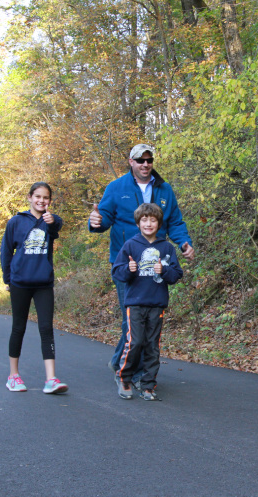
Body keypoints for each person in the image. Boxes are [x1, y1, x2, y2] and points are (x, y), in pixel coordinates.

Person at [89, 144, 194, 379]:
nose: (145, 164)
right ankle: (134, 374)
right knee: (133, 319)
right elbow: (104, 218)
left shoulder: (165, 189)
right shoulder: (116, 188)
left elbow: (175, 222)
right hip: (128, 264)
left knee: (146, 322)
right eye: (140, 160)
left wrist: (184, 242)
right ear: (131, 162)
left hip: (156, 264)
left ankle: (120, 362)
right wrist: (95, 221)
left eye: (149, 160)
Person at [0, 181, 68, 394]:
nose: (41, 200)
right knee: (18, 327)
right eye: (37, 196)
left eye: (45, 198)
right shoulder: (15, 222)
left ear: (49, 201)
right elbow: (5, 252)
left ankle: (51, 379)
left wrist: (53, 220)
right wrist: (8, 279)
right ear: (29, 197)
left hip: (43, 283)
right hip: (19, 282)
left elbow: (59, 224)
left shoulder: (50, 221)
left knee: (46, 328)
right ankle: (13, 376)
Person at [111, 203, 183, 400]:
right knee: (134, 342)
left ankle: (148, 384)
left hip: (157, 303)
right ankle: (124, 378)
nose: (148, 223)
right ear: (138, 223)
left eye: (153, 220)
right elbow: (117, 272)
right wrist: (129, 269)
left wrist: (164, 271)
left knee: (152, 345)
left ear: (159, 224)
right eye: (144, 220)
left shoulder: (166, 247)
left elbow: (177, 274)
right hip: (134, 302)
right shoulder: (130, 245)